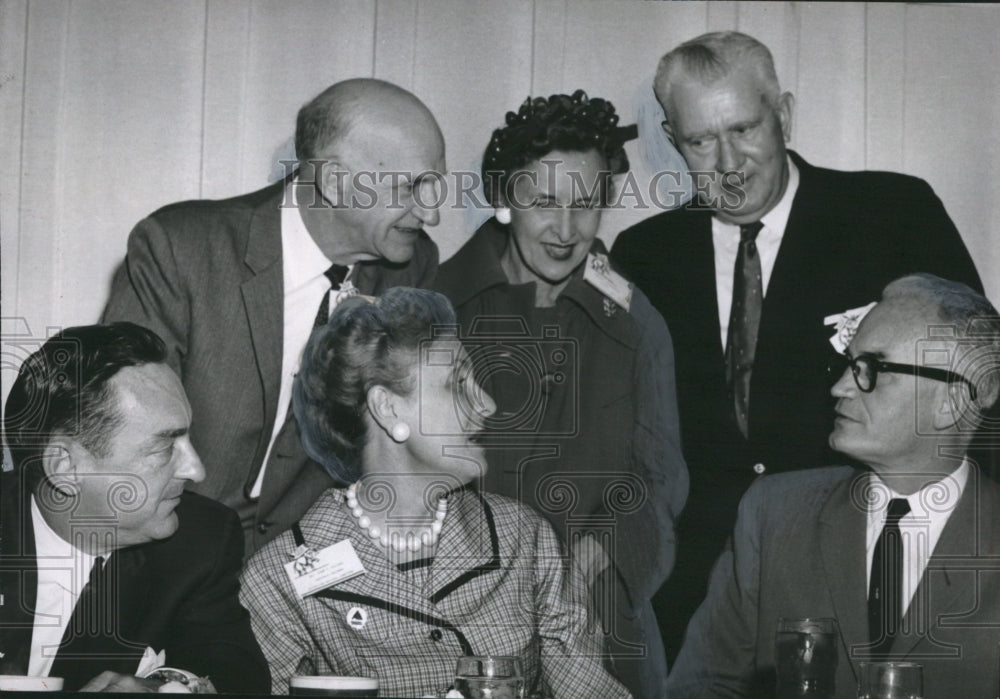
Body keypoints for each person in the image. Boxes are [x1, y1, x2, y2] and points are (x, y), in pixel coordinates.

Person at [609, 30, 984, 662]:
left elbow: (979, 381)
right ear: (674, 141)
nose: (728, 162)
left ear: (783, 114)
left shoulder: (891, 214)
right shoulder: (644, 255)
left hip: (859, 575)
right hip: (693, 597)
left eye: (745, 129)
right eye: (702, 140)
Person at [102, 78, 445, 556]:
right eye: (412, 187)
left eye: (436, 186)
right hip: (166, 552)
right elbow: (119, 443)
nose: (432, 214)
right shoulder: (180, 249)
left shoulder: (411, 267)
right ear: (334, 180)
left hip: (306, 565)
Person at [240, 288, 630, 698]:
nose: (487, 404)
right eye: (457, 383)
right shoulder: (279, 581)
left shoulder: (526, 539)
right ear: (388, 409)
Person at [433, 90, 687, 699]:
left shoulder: (635, 320)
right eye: (542, 201)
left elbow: (660, 481)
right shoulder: (439, 306)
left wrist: (598, 557)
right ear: (503, 198)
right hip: (452, 613)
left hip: (596, 614)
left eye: (586, 203)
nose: (566, 229)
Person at [667, 274, 1000, 698]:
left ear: (951, 401)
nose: (839, 387)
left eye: (872, 369)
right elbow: (702, 686)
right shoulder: (775, 514)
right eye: (847, 364)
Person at [0, 322, 269, 693]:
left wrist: (167, 685)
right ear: (65, 467)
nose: (196, 470)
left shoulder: (199, 539)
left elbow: (236, 676)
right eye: (163, 448)